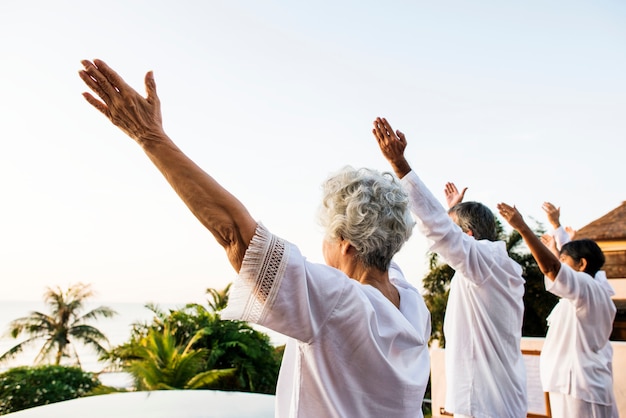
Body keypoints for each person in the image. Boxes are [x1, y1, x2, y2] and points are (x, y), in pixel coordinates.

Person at [78, 59, 431, 418]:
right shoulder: (413, 306)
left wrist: (149, 137)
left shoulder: (337, 302)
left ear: (348, 245)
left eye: (329, 232)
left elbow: (236, 234)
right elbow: (382, 244)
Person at [372, 117, 527, 418]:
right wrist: (451, 212)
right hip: (498, 402)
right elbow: (446, 232)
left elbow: (440, 231)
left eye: (456, 229)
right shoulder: (495, 267)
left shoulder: (486, 261)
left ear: (468, 236)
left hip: (485, 406)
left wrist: (399, 164)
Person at [497, 202, 618, 418]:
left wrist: (523, 228)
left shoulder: (587, 287)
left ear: (581, 265)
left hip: (581, 388)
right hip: (572, 384)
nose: (558, 261)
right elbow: (564, 267)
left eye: (563, 259)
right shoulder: (590, 289)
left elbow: (552, 268)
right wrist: (557, 230)